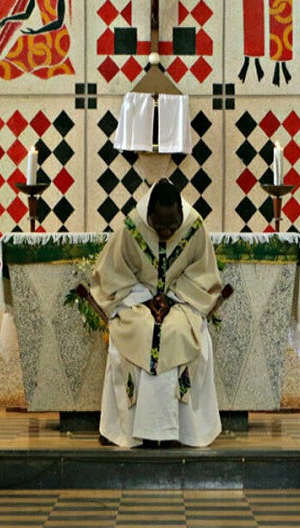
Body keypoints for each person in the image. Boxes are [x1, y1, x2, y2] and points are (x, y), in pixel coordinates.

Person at [91, 179, 223, 448]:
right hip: (136, 302)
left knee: (176, 332)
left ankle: (177, 431)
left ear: (179, 214)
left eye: (171, 225)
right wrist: (146, 298)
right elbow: (114, 275)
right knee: (142, 331)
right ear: (149, 215)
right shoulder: (132, 228)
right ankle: (130, 431)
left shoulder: (194, 226)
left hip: (183, 301)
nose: (165, 231)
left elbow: (203, 275)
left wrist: (172, 299)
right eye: (159, 225)